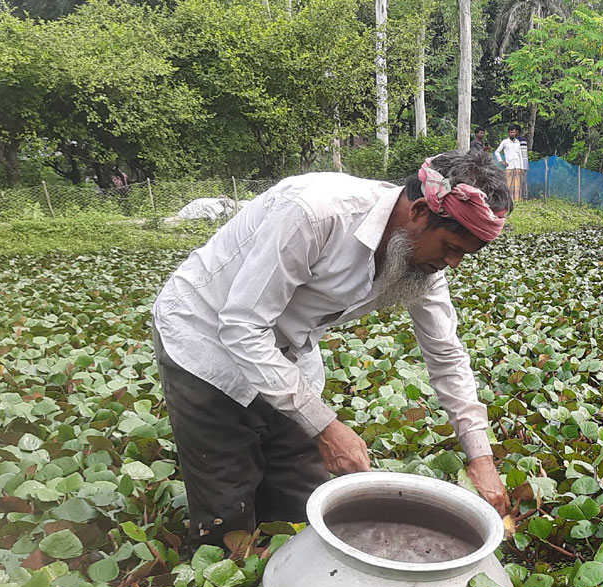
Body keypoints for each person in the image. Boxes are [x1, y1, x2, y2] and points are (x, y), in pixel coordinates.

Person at [151, 150, 513, 547]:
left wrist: (480, 458)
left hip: (289, 351)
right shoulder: (315, 214)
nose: (453, 263)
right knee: (228, 509)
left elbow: (446, 355)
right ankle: (222, 581)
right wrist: (327, 427)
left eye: (464, 254)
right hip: (206, 342)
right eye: (451, 247)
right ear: (422, 212)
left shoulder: (425, 264)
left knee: (304, 503)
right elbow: (242, 327)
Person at [493, 125, 529, 201]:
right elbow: (497, 152)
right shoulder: (505, 142)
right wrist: (501, 161)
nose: (512, 134)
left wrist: (522, 167)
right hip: (509, 166)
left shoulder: (517, 142)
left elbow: (520, 156)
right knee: (508, 184)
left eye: (514, 132)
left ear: (516, 133)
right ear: (508, 133)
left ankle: (516, 200)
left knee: (517, 184)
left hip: (518, 166)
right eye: (511, 132)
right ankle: (508, 199)